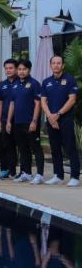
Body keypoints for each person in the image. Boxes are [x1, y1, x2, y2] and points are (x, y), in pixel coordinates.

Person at [41, 55, 80, 187]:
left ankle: (75, 176)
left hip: (65, 119)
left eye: (59, 63)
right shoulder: (46, 82)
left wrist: (57, 114)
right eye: (54, 63)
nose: (56, 65)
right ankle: (58, 175)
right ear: (50, 65)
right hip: (52, 120)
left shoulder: (69, 79)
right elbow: (43, 101)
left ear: (63, 65)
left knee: (70, 147)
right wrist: (50, 117)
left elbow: (72, 99)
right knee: (55, 148)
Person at [7, 60, 44, 184]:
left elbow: (37, 103)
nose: (21, 71)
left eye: (24, 69)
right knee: (23, 149)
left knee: (36, 148)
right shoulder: (15, 84)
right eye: (20, 69)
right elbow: (12, 103)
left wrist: (34, 121)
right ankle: (26, 173)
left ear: (29, 70)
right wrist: (8, 121)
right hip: (18, 122)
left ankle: (40, 174)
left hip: (31, 122)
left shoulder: (34, 84)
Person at [0, 59, 18, 179]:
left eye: (11, 68)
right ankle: (10, 170)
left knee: (19, 146)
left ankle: (22, 172)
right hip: (5, 120)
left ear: (15, 69)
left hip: (19, 119)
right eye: (7, 68)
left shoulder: (20, 83)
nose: (8, 70)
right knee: (7, 146)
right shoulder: (1, 85)